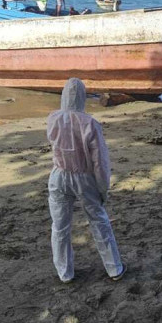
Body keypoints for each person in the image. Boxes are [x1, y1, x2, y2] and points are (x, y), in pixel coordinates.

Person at [46, 78, 124, 283]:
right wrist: (103, 188)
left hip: (58, 175)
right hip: (84, 177)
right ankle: (114, 268)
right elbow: (100, 161)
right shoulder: (90, 123)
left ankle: (65, 273)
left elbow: (54, 145)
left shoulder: (53, 118)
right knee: (98, 220)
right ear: (82, 97)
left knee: (60, 226)